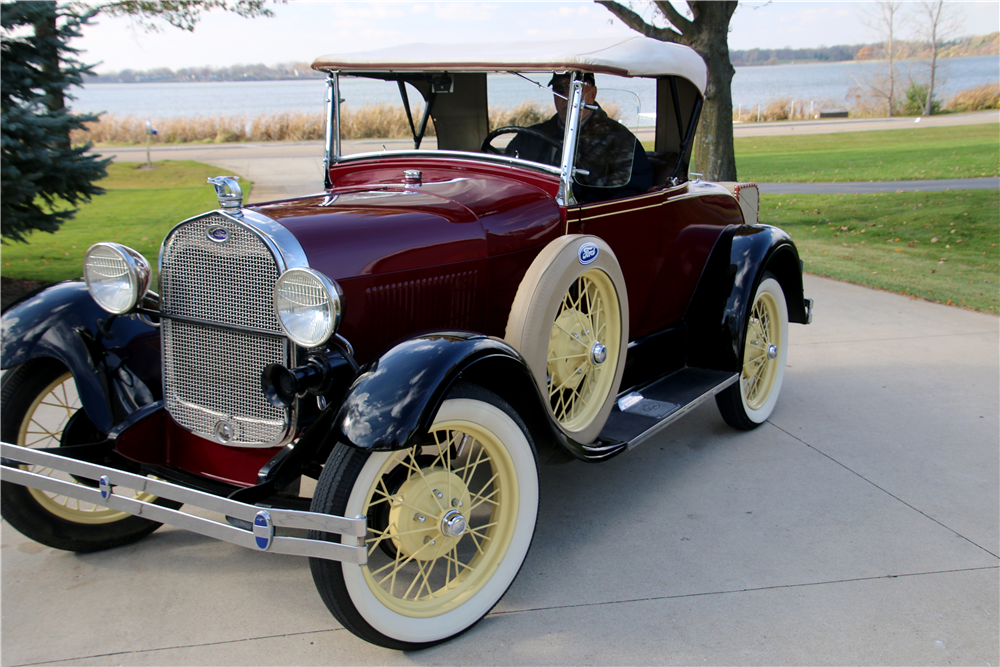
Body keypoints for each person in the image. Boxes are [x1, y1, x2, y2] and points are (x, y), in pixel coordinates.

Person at [505, 72, 653, 203]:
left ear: (593, 94)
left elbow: (631, 196)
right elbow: (507, 179)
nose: (567, 97)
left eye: (577, 89)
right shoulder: (530, 137)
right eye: (559, 89)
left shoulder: (621, 141)